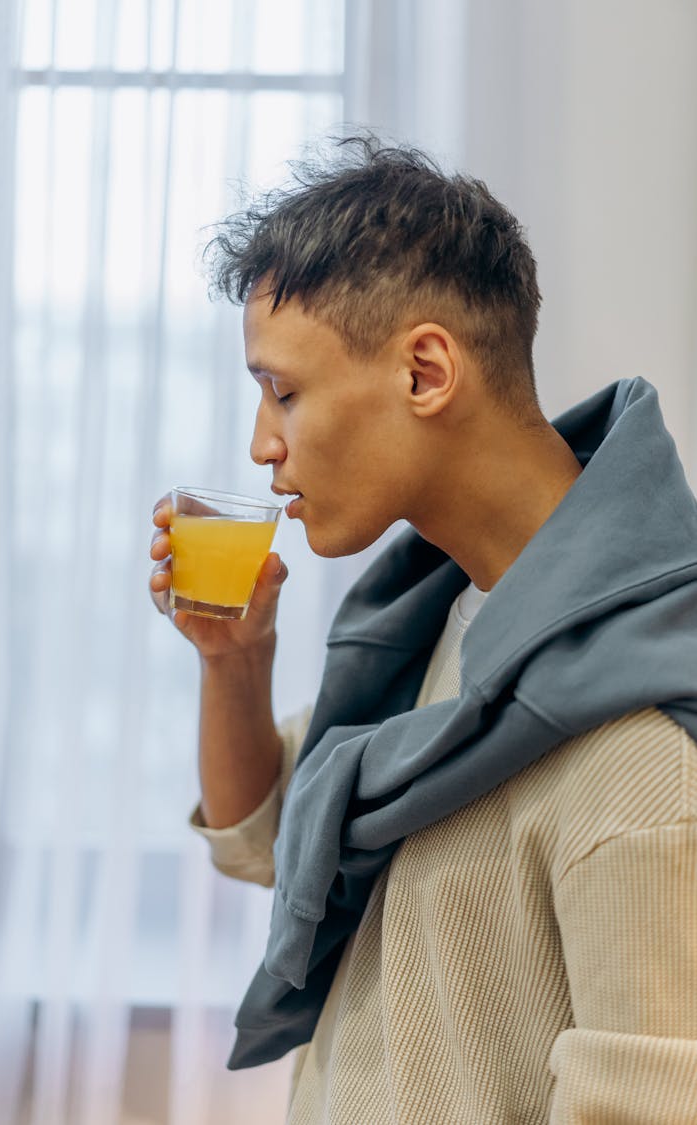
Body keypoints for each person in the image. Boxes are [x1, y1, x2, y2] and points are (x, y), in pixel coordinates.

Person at [149, 137, 697, 1123]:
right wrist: (236, 662)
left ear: (427, 371)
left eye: (285, 392)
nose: (262, 445)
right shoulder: (455, 618)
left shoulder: (644, 748)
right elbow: (273, 840)